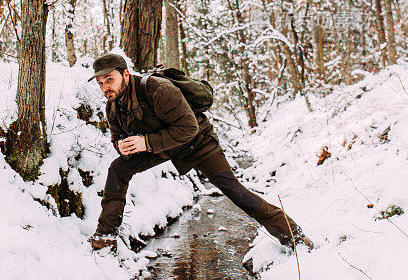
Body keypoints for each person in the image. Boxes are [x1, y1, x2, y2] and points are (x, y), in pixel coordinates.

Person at [88, 53, 313, 253]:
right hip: (164, 147)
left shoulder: (158, 89)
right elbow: (117, 137)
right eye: (101, 83)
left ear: (125, 75)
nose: (106, 87)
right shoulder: (113, 106)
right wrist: (120, 145)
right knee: (118, 168)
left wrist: (146, 142)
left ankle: (294, 237)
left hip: (199, 143)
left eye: (110, 80)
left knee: (235, 192)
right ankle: (105, 237)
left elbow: (189, 128)